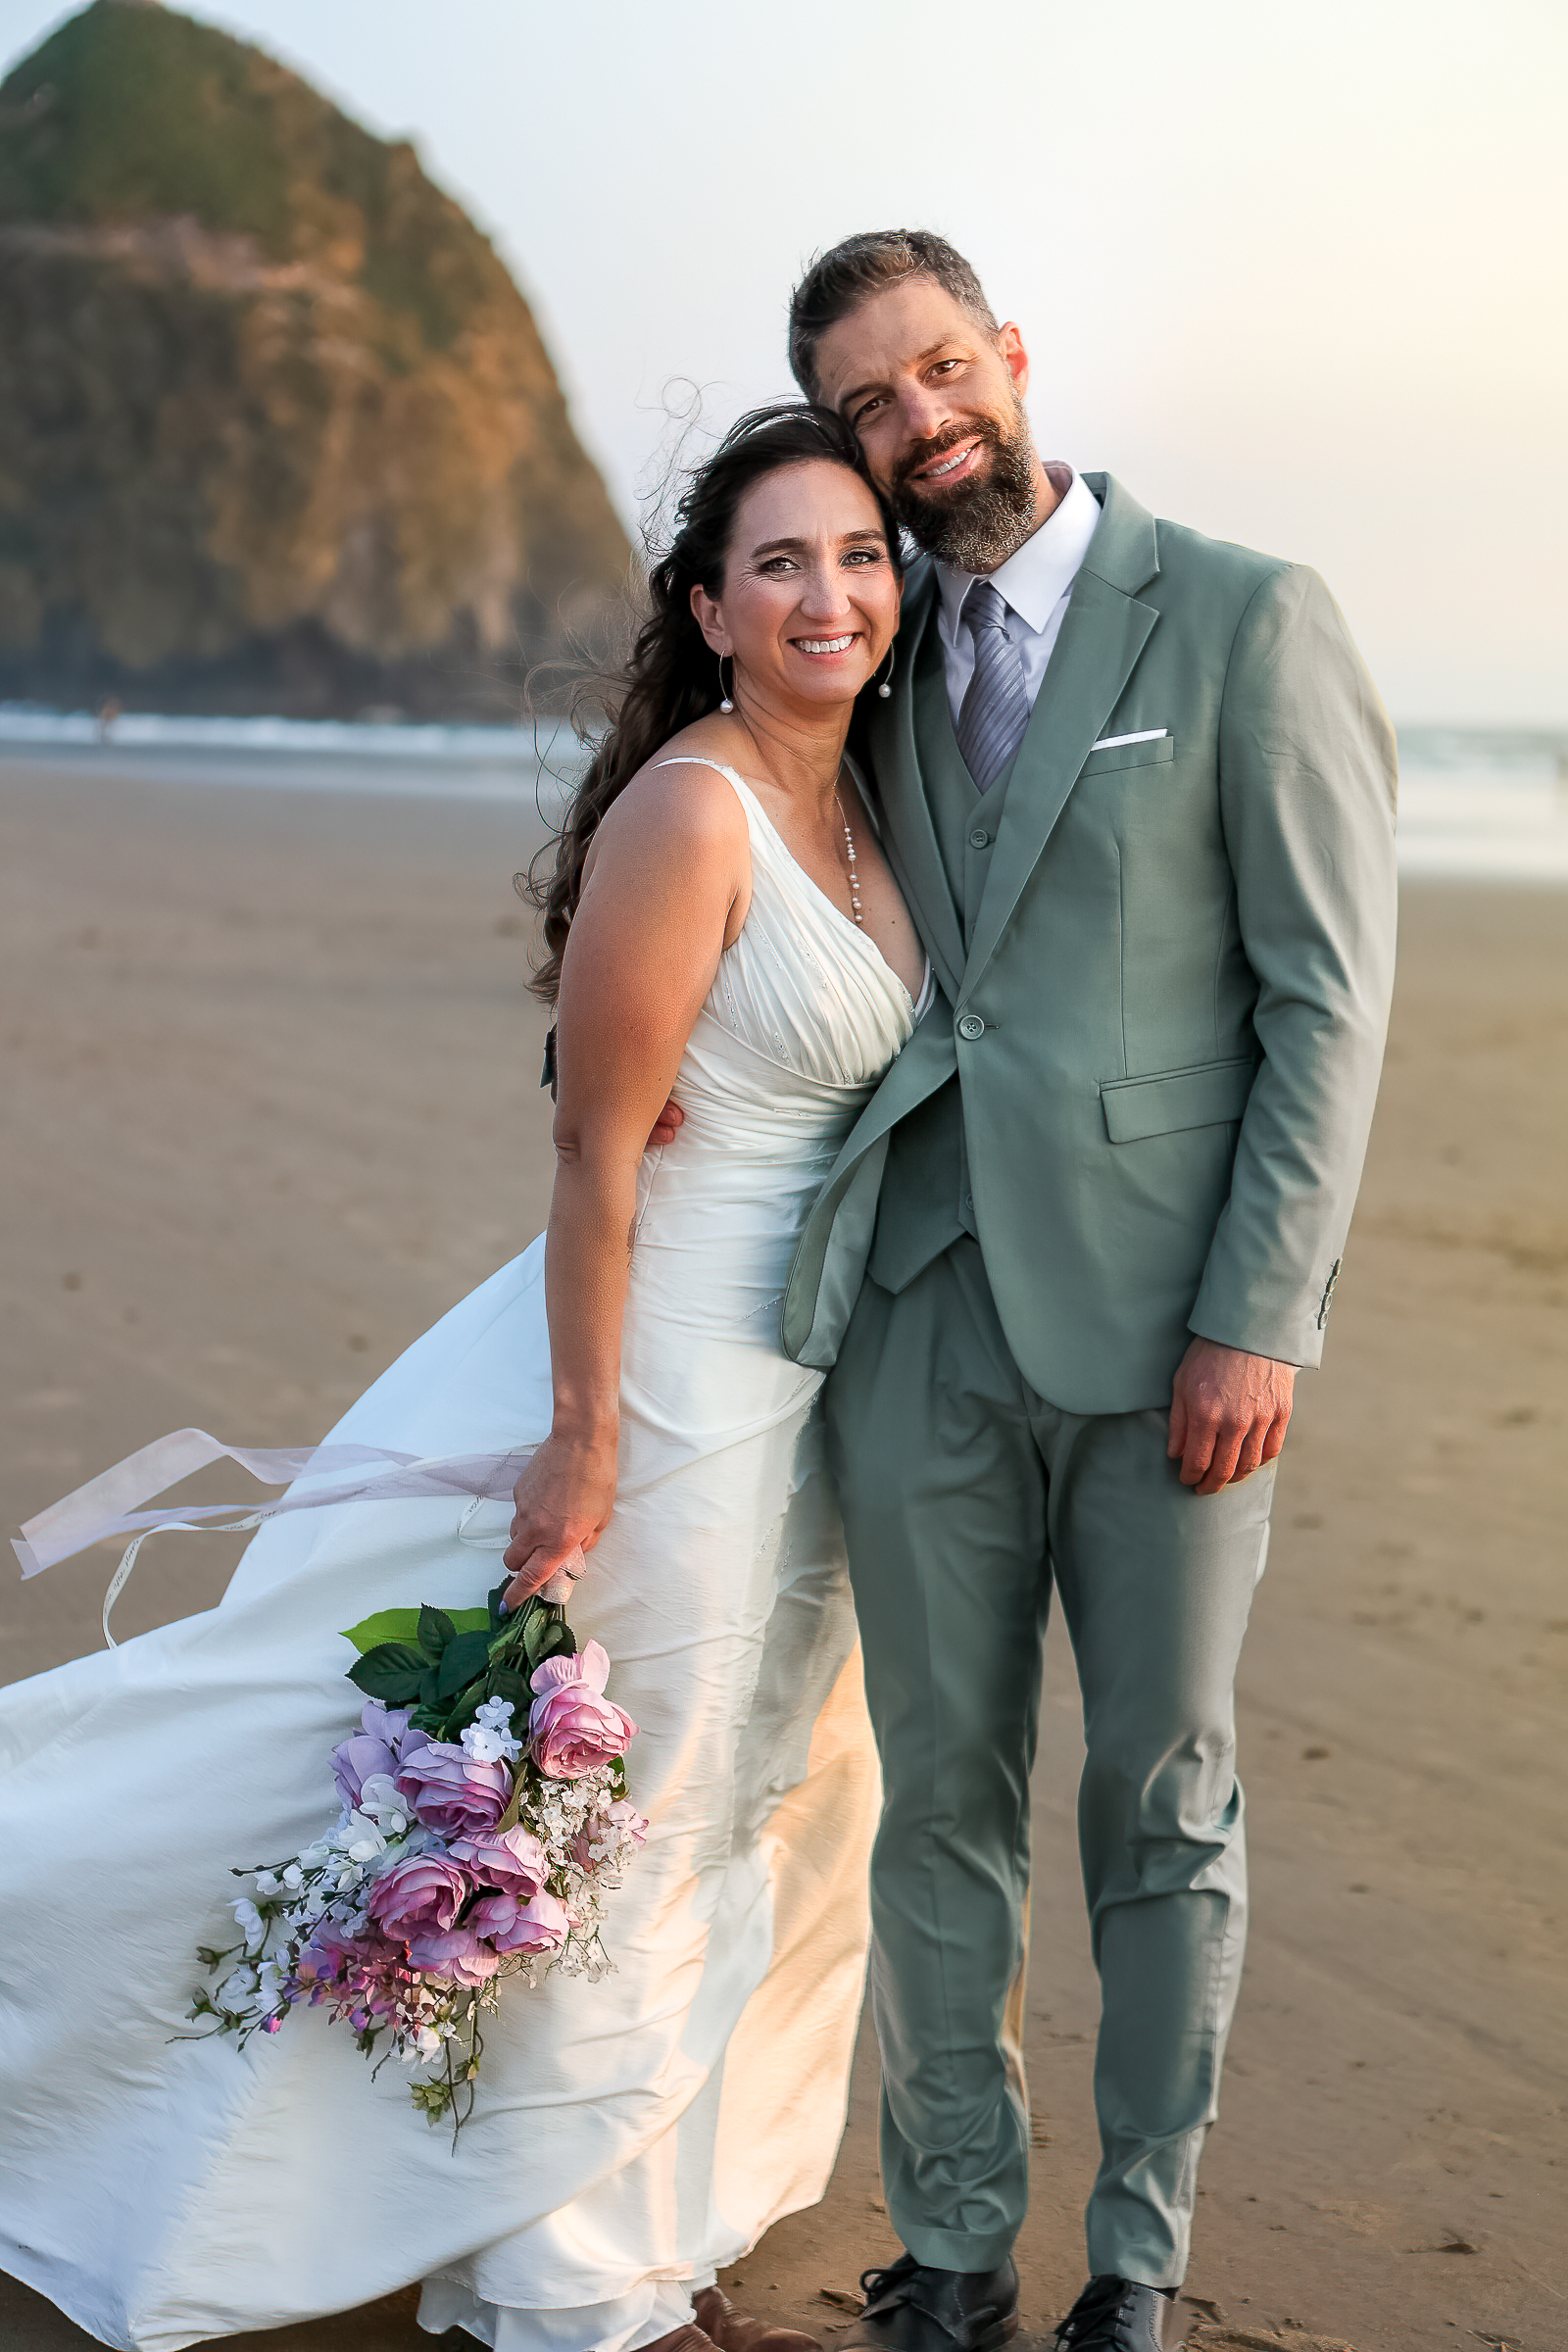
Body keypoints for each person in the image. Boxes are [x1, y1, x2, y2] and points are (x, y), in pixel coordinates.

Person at [0, 406, 929, 2352]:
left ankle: (648, 2203)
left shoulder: (875, 804)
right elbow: (593, 1149)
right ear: (709, 606)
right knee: (634, 1787)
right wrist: (583, 1434)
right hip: (670, 1365)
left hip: (815, 1381)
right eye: (778, 561)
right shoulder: (692, 813)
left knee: (746, 1777)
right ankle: (578, 2282)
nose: (827, 593)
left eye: (857, 553)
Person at [772, 232, 1399, 2352]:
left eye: (941, 367)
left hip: (1168, 1339)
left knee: (1159, 1799)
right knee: (934, 1803)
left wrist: (1262, 1315)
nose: (921, 419)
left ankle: (1135, 2264)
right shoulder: (862, 652)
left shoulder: (1240, 615)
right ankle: (953, 2243)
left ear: (1011, 356)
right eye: (870, 403)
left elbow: (1326, 1004)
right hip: (920, 1316)